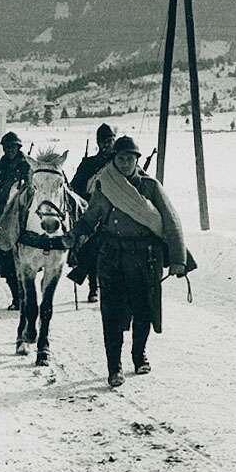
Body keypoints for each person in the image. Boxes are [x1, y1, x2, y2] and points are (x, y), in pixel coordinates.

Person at [64, 135, 190, 388]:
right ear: (114, 159)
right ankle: (114, 367)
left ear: (136, 160)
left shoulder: (150, 187)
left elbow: (171, 221)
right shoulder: (105, 186)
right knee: (111, 313)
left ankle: (138, 355)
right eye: (120, 158)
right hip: (112, 257)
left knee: (143, 310)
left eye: (129, 158)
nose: (124, 163)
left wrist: (178, 258)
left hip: (145, 258)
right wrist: (75, 234)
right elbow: (90, 218)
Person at [0, 131, 32, 310]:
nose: (10, 150)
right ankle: (16, 298)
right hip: (4, 216)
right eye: (7, 147)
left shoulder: (28, 165)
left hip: (24, 217)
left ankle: (27, 295)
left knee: (27, 261)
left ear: (19, 147)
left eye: (13, 147)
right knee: (7, 263)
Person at [69, 123, 117, 303]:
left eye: (111, 140)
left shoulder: (119, 162)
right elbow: (75, 188)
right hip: (93, 209)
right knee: (92, 249)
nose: (108, 145)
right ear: (98, 143)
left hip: (117, 210)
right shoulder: (89, 164)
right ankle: (93, 287)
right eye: (104, 141)